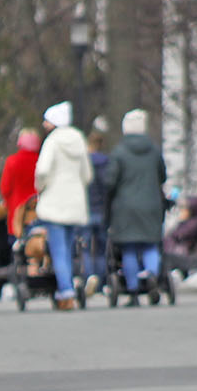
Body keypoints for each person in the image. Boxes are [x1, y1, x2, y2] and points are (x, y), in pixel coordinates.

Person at [103, 109, 169, 306]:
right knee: (150, 245)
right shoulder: (155, 151)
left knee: (129, 248)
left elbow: (110, 182)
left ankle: (132, 291)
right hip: (151, 206)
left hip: (125, 208)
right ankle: (152, 275)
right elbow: (163, 176)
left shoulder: (119, 153)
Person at [33, 101, 93, 310]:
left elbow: (42, 171)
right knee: (68, 248)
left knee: (58, 250)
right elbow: (87, 174)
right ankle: (72, 284)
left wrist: (41, 187)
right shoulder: (79, 140)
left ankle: (66, 291)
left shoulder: (53, 142)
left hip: (55, 203)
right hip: (75, 203)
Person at [78, 117, 111, 297]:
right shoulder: (106, 162)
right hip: (101, 210)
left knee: (84, 246)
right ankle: (101, 280)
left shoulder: (83, 163)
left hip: (84, 210)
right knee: (101, 247)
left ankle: (88, 276)